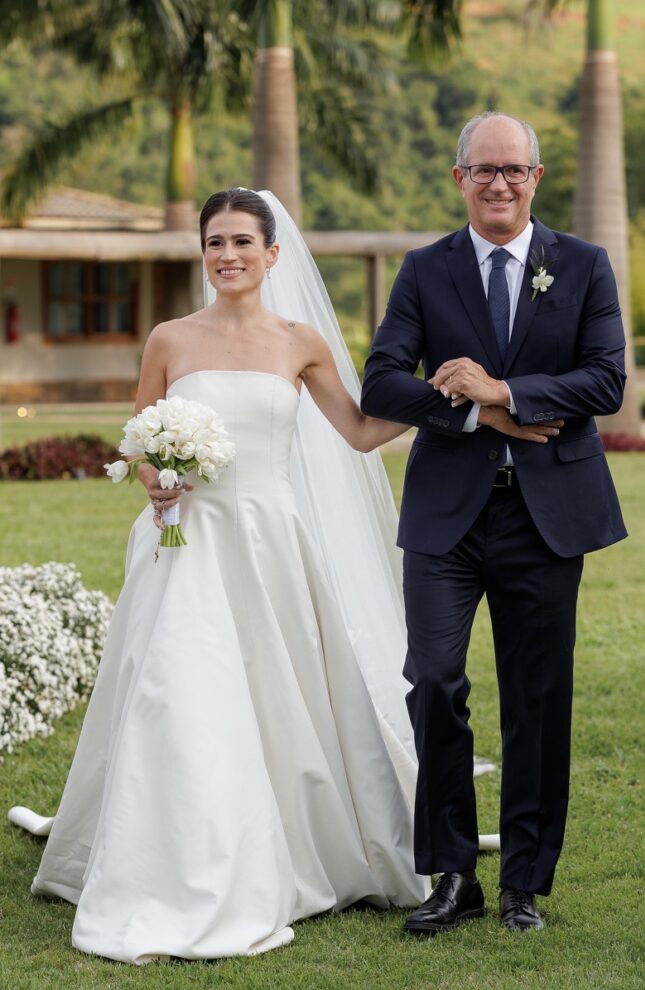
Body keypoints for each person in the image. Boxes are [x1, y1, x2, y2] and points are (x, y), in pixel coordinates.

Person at [9, 187, 441, 962]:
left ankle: (297, 838)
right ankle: (172, 850)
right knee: (176, 689)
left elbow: (358, 432)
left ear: (272, 253)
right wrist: (156, 479)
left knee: (279, 692)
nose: (229, 255)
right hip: (183, 544)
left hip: (271, 542)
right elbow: (140, 438)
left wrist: (438, 394)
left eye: (243, 241)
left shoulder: (300, 342)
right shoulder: (169, 338)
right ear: (202, 252)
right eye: (216, 242)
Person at [361, 111, 627, 933]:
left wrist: (505, 390)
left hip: (546, 518)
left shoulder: (583, 265)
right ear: (460, 179)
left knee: (537, 699)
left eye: (514, 169)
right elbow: (381, 383)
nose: (500, 183)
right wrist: (482, 415)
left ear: (536, 178)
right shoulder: (424, 269)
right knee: (435, 682)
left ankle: (522, 885)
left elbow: (605, 381)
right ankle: (452, 876)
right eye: (485, 169)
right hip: (445, 517)